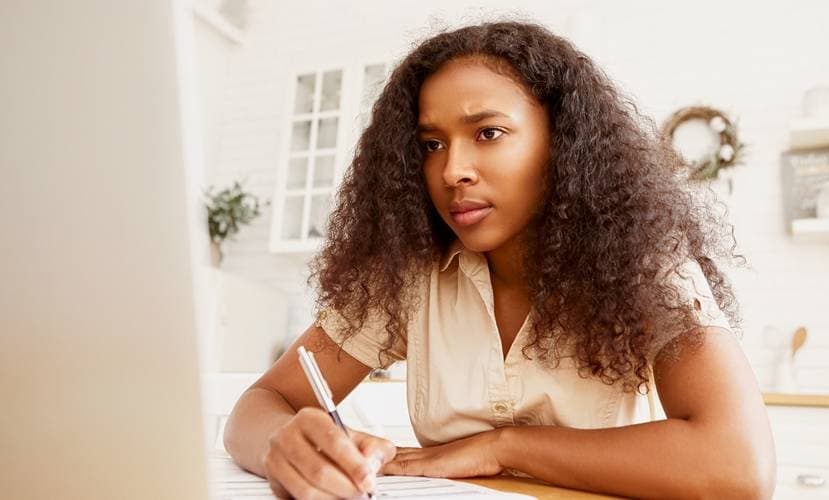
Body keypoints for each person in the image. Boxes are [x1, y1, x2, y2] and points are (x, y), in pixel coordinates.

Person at [224, 20, 776, 499]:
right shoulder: (409, 271)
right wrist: (283, 443)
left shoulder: (644, 262)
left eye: (488, 133)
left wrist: (502, 447)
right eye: (431, 144)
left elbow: (738, 466)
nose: (452, 170)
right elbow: (263, 402)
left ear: (562, 142)